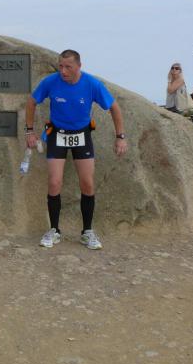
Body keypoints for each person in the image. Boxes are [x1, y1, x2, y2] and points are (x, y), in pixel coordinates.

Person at [25, 50, 128, 250]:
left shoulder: (92, 84)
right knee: (54, 182)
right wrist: (29, 131)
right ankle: (54, 230)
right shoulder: (50, 82)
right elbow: (32, 101)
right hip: (57, 134)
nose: (63, 71)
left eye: (68, 67)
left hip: (81, 135)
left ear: (79, 66)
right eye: (60, 66)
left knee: (87, 183)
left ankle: (87, 231)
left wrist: (120, 137)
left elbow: (114, 107)